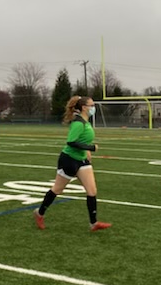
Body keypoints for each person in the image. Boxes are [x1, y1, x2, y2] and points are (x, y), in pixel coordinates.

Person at [33, 96, 111, 232]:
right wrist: (91, 148)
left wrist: (87, 152)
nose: (94, 108)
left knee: (92, 191)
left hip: (82, 160)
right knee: (57, 189)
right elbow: (71, 142)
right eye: (91, 105)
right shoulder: (78, 123)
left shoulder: (85, 121)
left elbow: (82, 140)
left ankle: (93, 223)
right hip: (69, 160)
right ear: (84, 107)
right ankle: (39, 213)